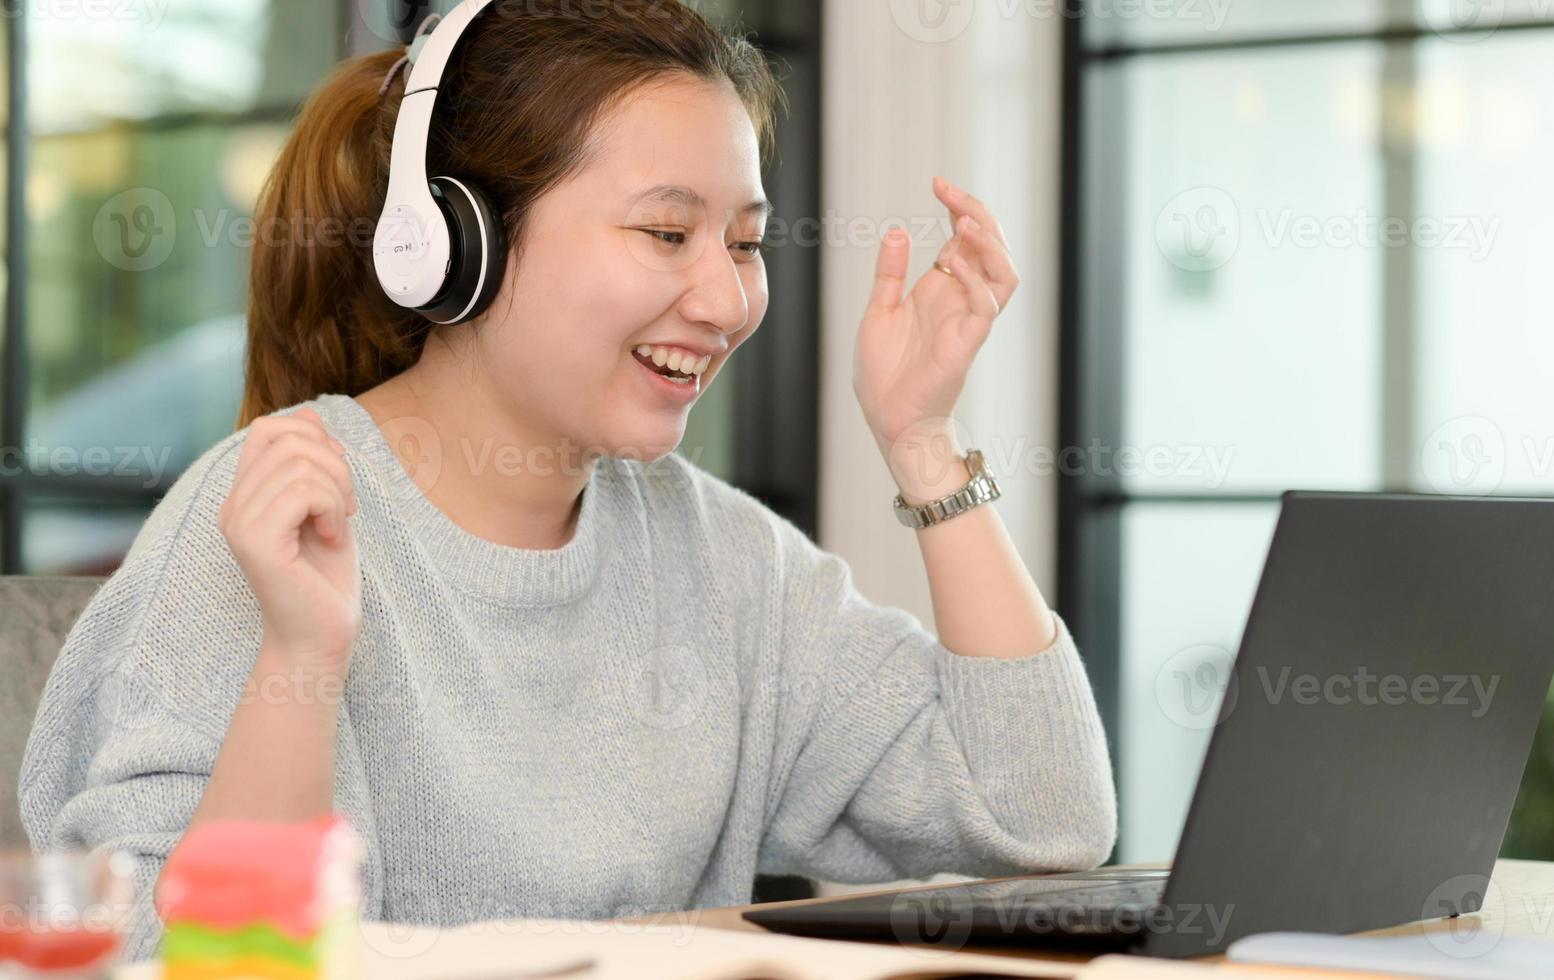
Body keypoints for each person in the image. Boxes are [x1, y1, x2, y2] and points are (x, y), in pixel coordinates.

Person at [19, 0, 1116, 962]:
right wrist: (301, 655)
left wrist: (921, 439)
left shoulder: (726, 561)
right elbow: (167, 958)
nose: (726, 300)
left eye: (743, 242)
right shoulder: (262, 515)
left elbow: (1042, 817)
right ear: (454, 243)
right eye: (666, 231)